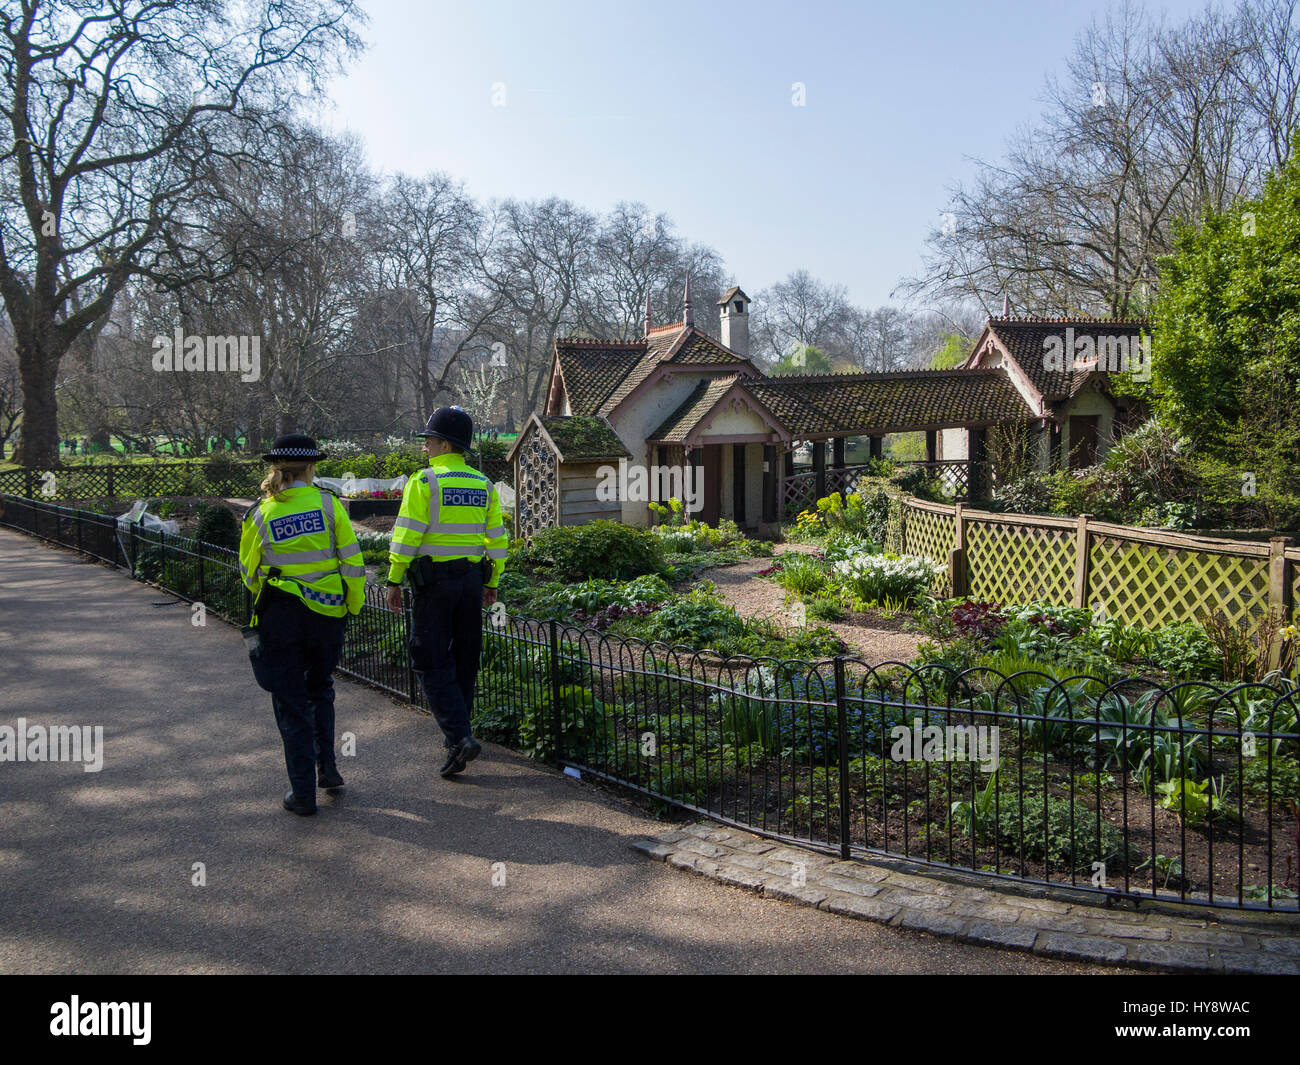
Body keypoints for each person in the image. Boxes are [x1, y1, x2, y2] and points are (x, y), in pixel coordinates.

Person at [239, 434, 367, 815]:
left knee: (290, 701)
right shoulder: (329, 505)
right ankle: (327, 769)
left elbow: (248, 572)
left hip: (281, 616)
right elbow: (352, 562)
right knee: (321, 688)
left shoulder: (260, 513)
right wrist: (353, 606)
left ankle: (303, 794)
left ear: (275, 469)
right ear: (312, 467)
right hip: (327, 615)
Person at [385, 406, 508, 779]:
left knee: (428, 658)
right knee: (465, 658)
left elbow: (406, 535)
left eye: (428, 441)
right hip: (471, 582)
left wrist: (393, 579)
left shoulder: (424, 482)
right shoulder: (483, 485)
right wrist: (493, 581)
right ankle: (459, 734)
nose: (425, 448)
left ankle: (458, 737)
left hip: (434, 585)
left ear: (443, 443)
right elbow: (498, 540)